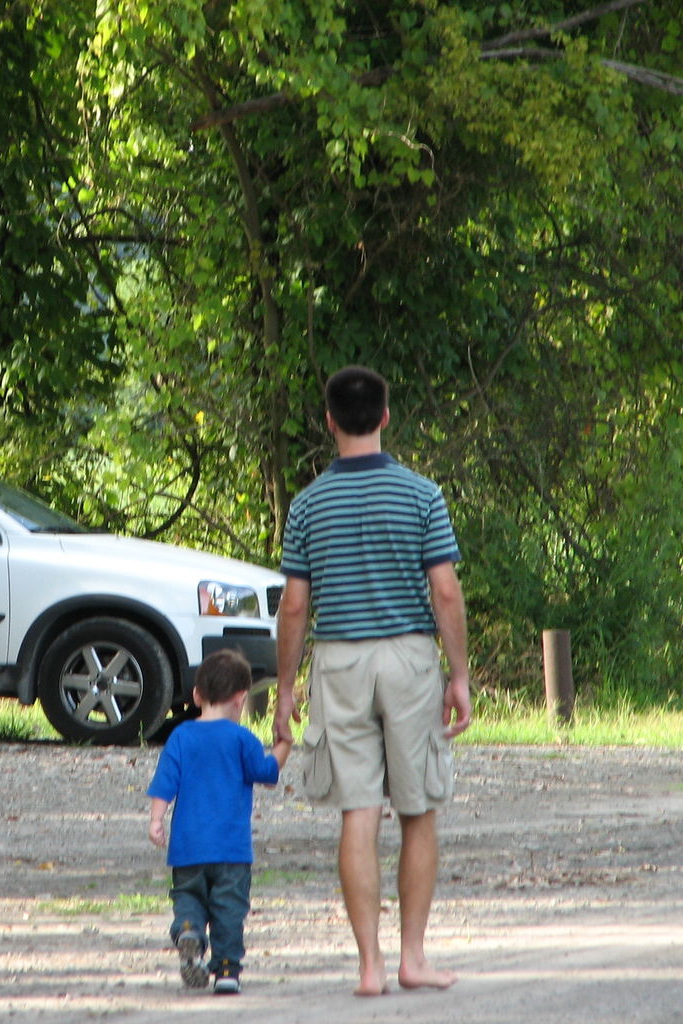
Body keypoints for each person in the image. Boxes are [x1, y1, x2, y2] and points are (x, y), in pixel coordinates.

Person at [273, 365, 472, 997]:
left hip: (339, 662)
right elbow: (445, 590)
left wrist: (284, 688)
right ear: (386, 417)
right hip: (410, 660)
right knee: (417, 809)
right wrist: (459, 674)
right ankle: (414, 958)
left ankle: (369, 967)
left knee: (358, 811)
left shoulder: (307, 504)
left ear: (329, 421)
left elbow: (295, 607)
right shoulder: (421, 495)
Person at [147, 649, 292, 995]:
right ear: (241, 699)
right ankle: (227, 971)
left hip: (187, 847)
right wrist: (284, 743)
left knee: (188, 896)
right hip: (231, 850)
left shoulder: (181, 736)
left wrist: (156, 820)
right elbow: (267, 774)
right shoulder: (242, 739)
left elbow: (165, 782)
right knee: (229, 908)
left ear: (197, 696)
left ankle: (188, 929)